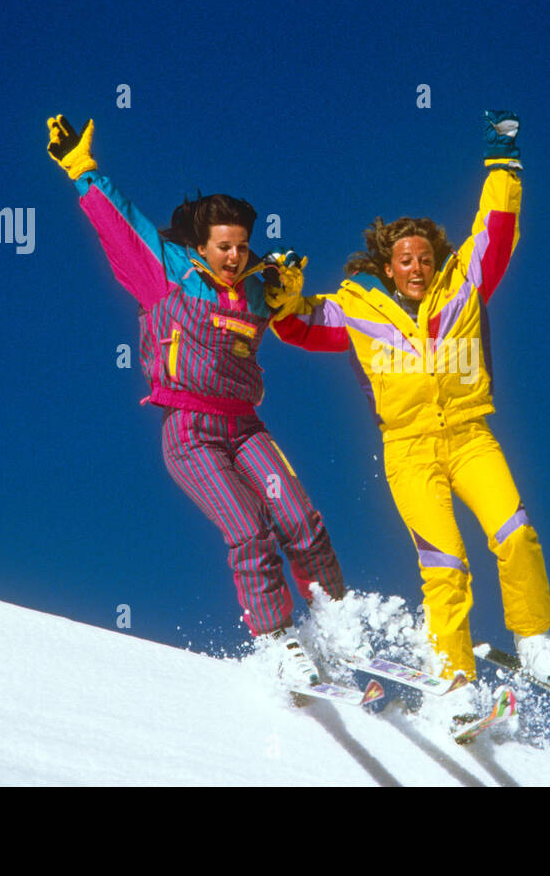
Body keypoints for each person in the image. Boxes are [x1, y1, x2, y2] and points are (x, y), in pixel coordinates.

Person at [269, 110, 550, 706]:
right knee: (445, 563)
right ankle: (456, 679)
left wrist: (502, 160)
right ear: (388, 266)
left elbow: (496, 228)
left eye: (424, 257)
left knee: (515, 531)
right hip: (408, 450)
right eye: (405, 259)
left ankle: (533, 636)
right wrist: (280, 297)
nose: (417, 267)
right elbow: (302, 324)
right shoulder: (358, 307)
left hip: (470, 436)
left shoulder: (463, 286)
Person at [45, 114, 344, 686]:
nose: (234, 256)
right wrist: (84, 172)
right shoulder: (168, 276)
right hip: (191, 434)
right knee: (250, 529)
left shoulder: (259, 286)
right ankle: (278, 639)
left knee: (302, 522)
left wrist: (290, 293)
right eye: (223, 246)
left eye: (241, 246)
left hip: (247, 427)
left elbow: (299, 311)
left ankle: (337, 625)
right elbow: (122, 227)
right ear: (201, 247)